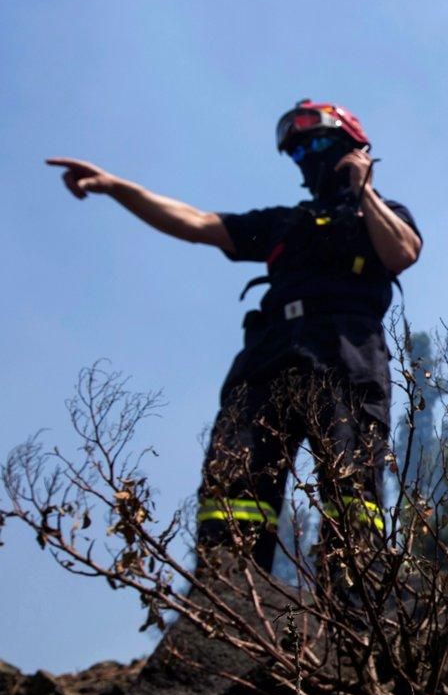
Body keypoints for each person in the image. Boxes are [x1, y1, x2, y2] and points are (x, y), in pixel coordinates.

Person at [47, 100, 423, 571]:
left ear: (352, 147)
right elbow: (197, 223)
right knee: (236, 479)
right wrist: (117, 187)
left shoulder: (382, 214)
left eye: (320, 145)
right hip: (269, 355)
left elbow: (403, 252)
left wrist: (363, 188)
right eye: (298, 151)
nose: (309, 158)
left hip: (346, 353)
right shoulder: (285, 223)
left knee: (350, 484)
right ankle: (227, 593)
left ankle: (351, 612)